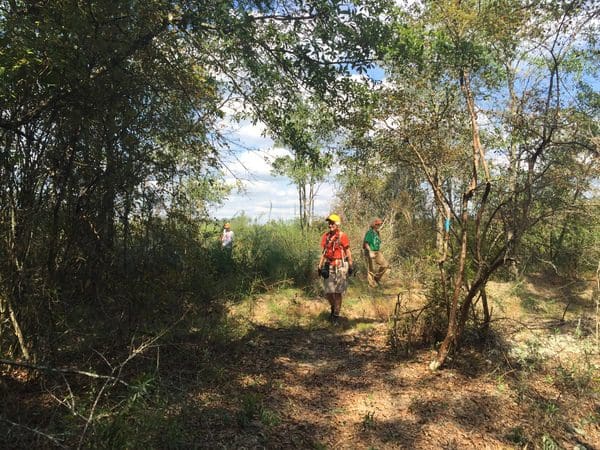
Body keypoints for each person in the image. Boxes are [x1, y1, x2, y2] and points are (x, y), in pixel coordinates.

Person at [317, 214, 353, 324]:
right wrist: (319, 266)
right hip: (329, 266)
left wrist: (351, 265)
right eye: (329, 223)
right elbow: (324, 252)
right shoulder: (326, 236)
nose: (330, 225)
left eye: (332, 223)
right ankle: (333, 308)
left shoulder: (342, 236)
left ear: (337, 224)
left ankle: (336, 316)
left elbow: (347, 251)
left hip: (340, 266)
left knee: (338, 292)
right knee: (328, 292)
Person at [363, 217, 389, 288]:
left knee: (385, 265)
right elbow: (366, 243)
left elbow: (378, 242)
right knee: (371, 269)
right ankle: (372, 285)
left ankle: (376, 279)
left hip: (377, 251)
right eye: (377, 224)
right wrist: (370, 251)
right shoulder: (369, 233)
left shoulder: (377, 233)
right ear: (374, 224)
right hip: (370, 251)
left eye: (379, 224)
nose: (379, 226)